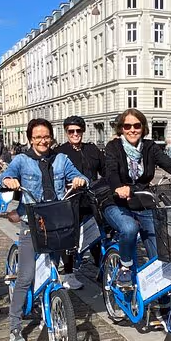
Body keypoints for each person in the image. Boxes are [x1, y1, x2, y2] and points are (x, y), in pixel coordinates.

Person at [0, 118, 87, 341]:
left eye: (46, 136)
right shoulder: (21, 160)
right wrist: (9, 180)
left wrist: (79, 180)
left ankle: (48, 307)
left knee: (51, 273)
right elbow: (3, 178)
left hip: (56, 224)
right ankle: (15, 327)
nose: (42, 141)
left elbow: (81, 176)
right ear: (30, 139)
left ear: (51, 137)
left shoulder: (61, 159)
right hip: (31, 224)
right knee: (26, 276)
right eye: (37, 137)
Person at [102, 109, 171, 290]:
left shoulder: (150, 147)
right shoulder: (113, 147)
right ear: (121, 128)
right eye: (127, 126)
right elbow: (111, 172)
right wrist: (118, 187)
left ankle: (161, 299)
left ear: (143, 127)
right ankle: (125, 267)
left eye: (136, 126)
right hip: (117, 202)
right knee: (129, 228)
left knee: (160, 250)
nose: (132, 130)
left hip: (142, 201)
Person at [54, 115, 103, 289]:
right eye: (71, 131)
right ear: (66, 132)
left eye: (78, 130)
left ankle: (102, 268)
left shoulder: (92, 150)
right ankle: (68, 273)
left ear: (83, 131)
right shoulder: (60, 152)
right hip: (71, 200)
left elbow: (105, 171)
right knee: (70, 237)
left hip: (91, 199)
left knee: (97, 233)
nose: (75, 134)